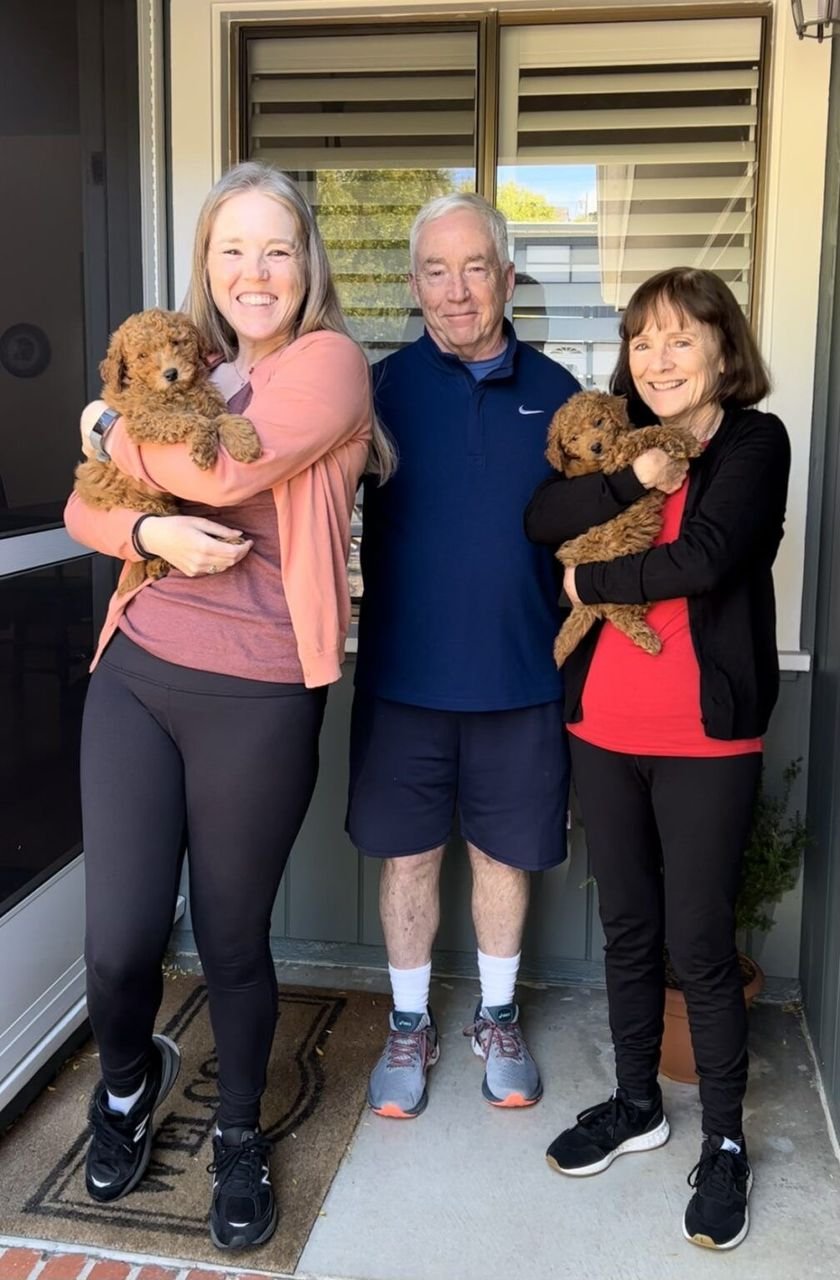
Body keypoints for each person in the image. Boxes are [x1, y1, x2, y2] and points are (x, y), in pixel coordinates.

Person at [63, 161, 390, 1251]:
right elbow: (85, 508)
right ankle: (123, 1090)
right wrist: (144, 530)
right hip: (138, 674)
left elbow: (207, 472)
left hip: (256, 690)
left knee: (233, 936)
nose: (255, 272)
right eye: (232, 249)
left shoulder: (330, 364)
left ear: (308, 265)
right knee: (117, 943)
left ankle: (240, 1132)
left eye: (277, 248)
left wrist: (112, 430)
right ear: (206, 264)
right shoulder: (184, 366)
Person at [525, 267, 790, 1251]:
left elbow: (707, 557)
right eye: (642, 340)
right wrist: (624, 485)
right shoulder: (627, 449)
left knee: (700, 943)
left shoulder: (756, 442)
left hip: (706, 738)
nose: (659, 358)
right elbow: (538, 518)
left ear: (725, 351)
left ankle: (723, 1140)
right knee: (628, 929)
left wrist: (589, 575)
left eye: (681, 338)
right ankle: (638, 1103)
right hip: (603, 726)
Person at [347, 193, 579, 1119]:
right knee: (405, 861)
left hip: (522, 679)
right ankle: (410, 1024)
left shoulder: (560, 397)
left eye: (474, 267)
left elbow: (598, 535)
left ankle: (496, 1016)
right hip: (403, 680)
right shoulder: (372, 392)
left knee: (500, 858)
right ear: (412, 285)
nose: (455, 289)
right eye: (435, 271)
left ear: (507, 277)